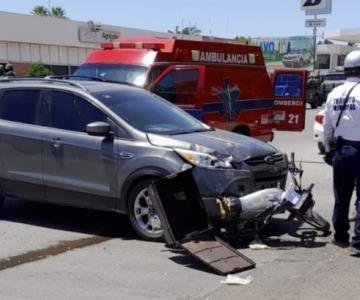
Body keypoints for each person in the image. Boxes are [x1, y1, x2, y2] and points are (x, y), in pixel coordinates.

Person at [323, 50, 360, 256]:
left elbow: (327, 127)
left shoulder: (334, 94)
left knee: (341, 195)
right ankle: (358, 242)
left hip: (341, 149)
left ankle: (340, 236)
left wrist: (329, 151)